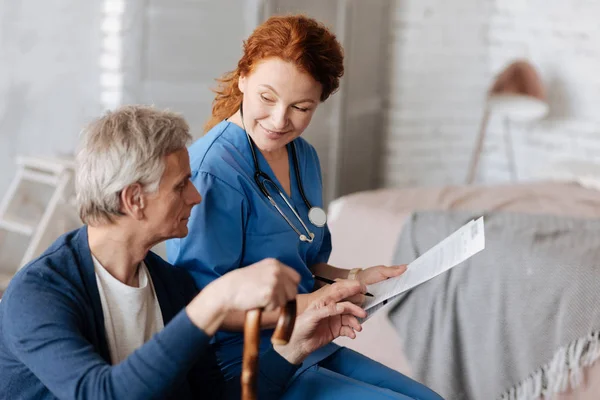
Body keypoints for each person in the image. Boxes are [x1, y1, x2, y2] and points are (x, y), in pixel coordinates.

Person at [0, 105, 368, 400]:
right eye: (180, 186)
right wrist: (213, 303)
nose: (195, 195)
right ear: (134, 200)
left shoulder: (171, 284)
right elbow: (102, 392)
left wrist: (292, 348)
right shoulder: (38, 295)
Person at [166, 15, 443, 400]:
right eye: (267, 98)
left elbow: (303, 262)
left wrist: (358, 277)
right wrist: (311, 305)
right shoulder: (214, 173)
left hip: (308, 339)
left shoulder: (303, 157)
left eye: (301, 107)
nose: (280, 121)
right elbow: (202, 310)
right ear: (243, 77)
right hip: (241, 358)